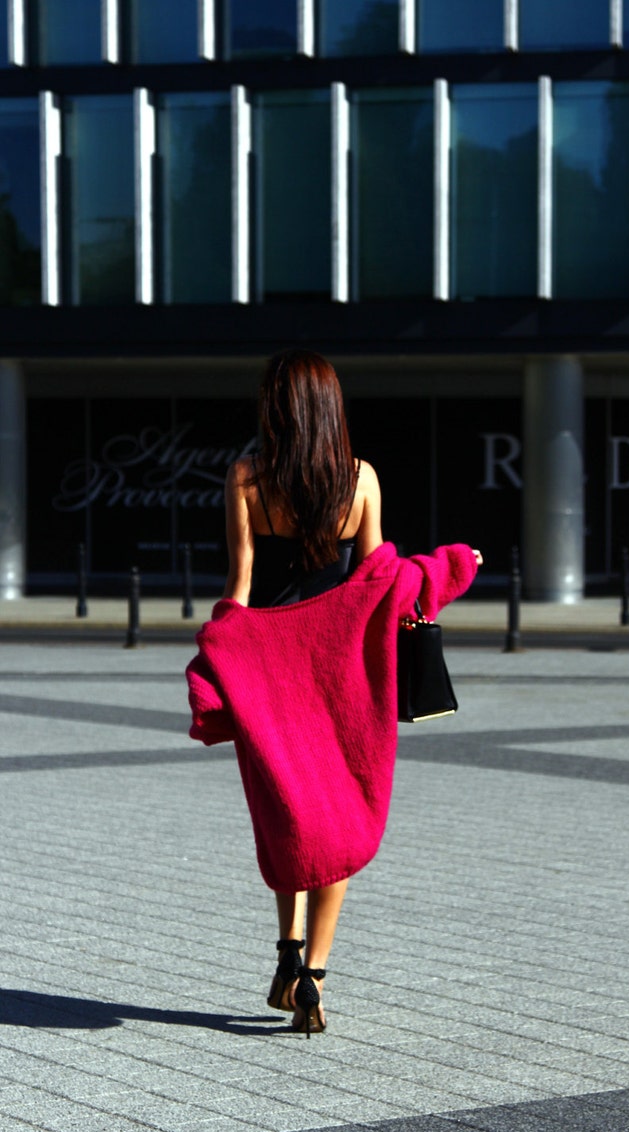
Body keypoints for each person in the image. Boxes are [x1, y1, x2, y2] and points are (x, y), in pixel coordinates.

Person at [186, 348, 482, 1036]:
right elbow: (378, 583)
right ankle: (313, 974)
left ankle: (286, 952)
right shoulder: (363, 479)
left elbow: (239, 589)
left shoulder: (246, 477)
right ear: (330, 408)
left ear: (276, 409)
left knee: (284, 813)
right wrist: (452, 567)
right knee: (335, 816)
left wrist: (217, 658)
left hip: (270, 675)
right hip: (339, 675)